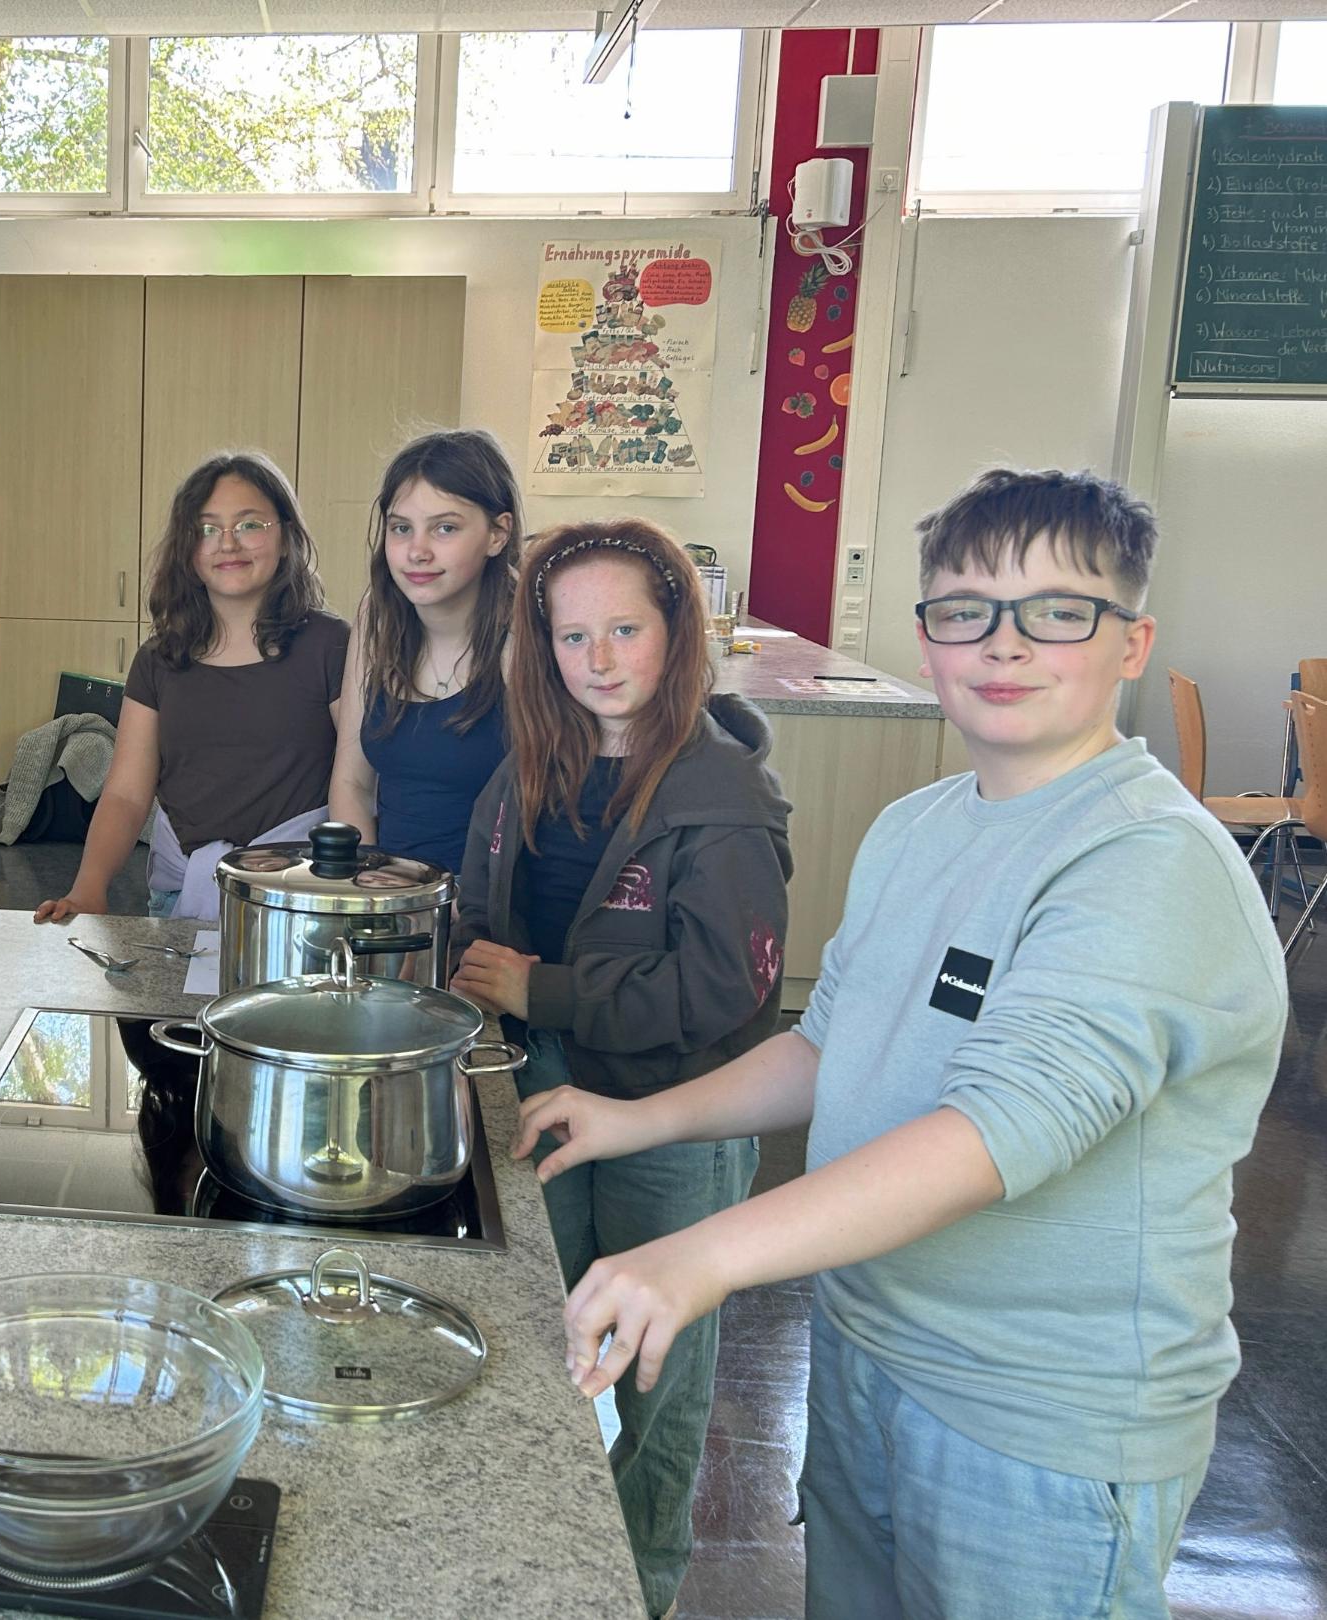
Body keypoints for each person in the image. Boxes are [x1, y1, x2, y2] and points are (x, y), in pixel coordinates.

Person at [515, 470, 1288, 1620]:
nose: (1005, 644)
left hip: (1037, 1427)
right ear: (929, 639)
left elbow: (991, 1135)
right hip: (865, 1357)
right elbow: (827, 1044)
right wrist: (636, 1119)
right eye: (968, 609)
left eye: (1057, 611)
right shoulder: (917, 826)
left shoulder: (1148, 860)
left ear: (1132, 643)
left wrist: (701, 1254)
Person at [449, 517, 791, 1620]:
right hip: (537, 1089)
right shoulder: (528, 770)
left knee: (654, 1376)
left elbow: (722, 991)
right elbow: (482, 918)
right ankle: (535, 1574)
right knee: (535, 1331)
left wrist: (542, 990)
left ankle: (639, 1590)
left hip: (674, 1117)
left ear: (676, 633)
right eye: (572, 636)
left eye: (625, 631)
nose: (598, 660)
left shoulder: (723, 795)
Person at [33, 451, 346, 922]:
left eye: (250, 525)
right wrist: (88, 888)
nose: (228, 543)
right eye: (206, 529)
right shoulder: (159, 659)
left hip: (303, 902)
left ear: (285, 537)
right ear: (187, 548)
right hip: (182, 896)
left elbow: (358, 785)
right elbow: (126, 794)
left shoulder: (332, 646)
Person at [327, 429, 520, 875]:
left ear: (497, 534)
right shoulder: (377, 615)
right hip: (391, 896)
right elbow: (352, 784)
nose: (417, 551)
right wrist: (374, 888)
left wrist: (466, 907)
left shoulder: (528, 628)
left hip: (493, 905)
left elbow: (552, 812)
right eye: (401, 528)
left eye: (445, 528)